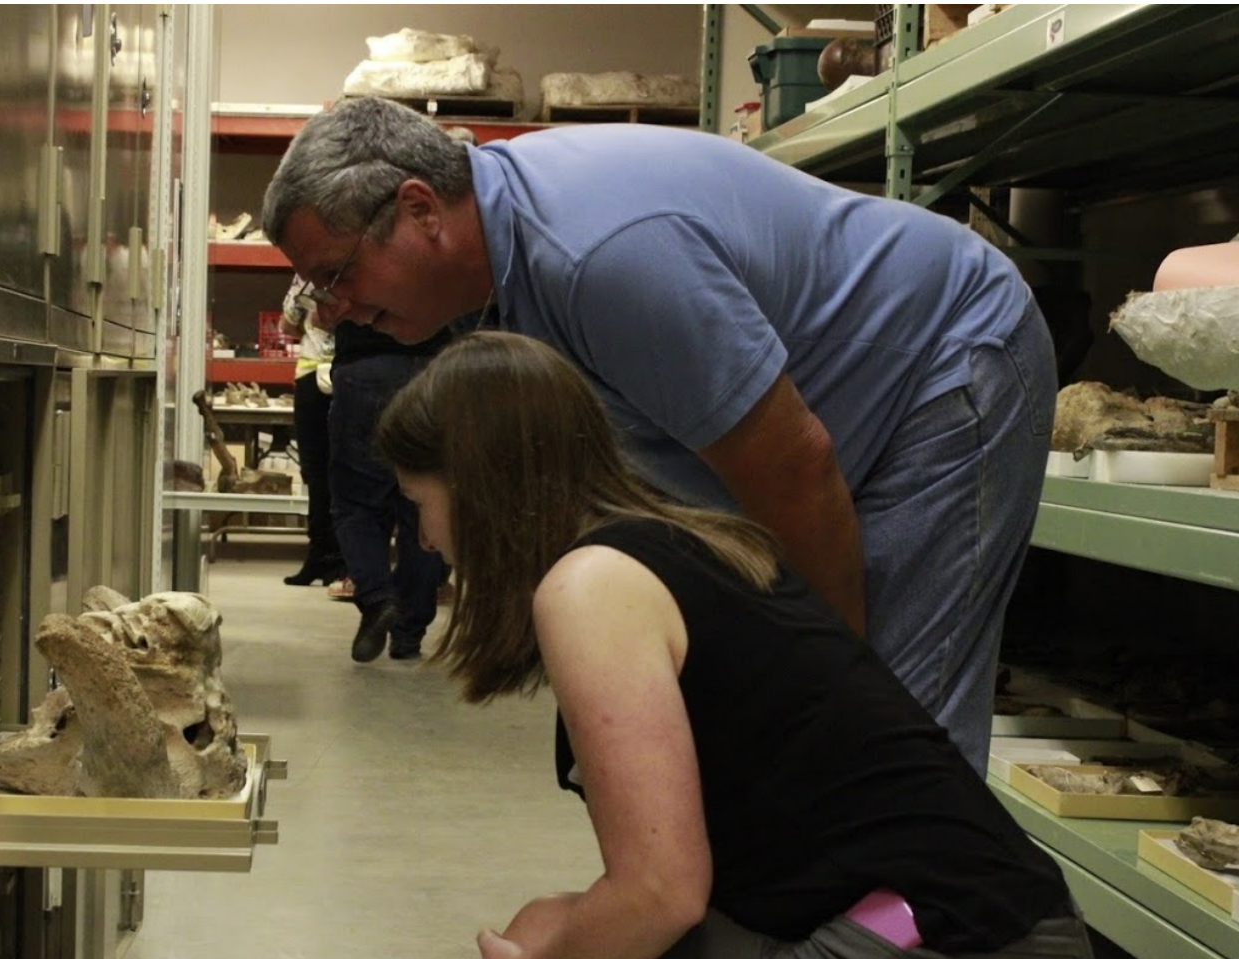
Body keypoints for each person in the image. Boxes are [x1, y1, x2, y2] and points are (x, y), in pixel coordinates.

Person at [375, 331, 1098, 959]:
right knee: (556, 935)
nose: (427, 538)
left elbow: (660, 892)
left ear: (479, 485)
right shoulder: (696, 545)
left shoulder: (588, 587)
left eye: (422, 504)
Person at [262, 96, 1058, 775]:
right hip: (837, 418)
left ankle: (925, 899)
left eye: (336, 274)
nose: (331, 310)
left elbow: (794, 469)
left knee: (890, 726)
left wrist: (827, 691)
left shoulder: (598, 256)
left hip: (945, 368)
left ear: (419, 209)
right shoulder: (504, 269)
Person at [326, 318, 450, 662]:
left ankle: (378, 597)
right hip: (434, 370)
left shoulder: (352, 276)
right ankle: (409, 633)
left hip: (365, 366)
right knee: (424, 505)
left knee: (356, 503)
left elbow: (323, 314)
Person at [277, 276, 347, 587]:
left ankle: (335, 556)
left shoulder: (311, 274)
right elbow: (287, 324)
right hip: (323, 374)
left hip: (335, 374)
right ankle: (325, 554)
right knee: (322, 471)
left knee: (331, 471)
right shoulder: (307, 275)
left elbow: (291, 323)